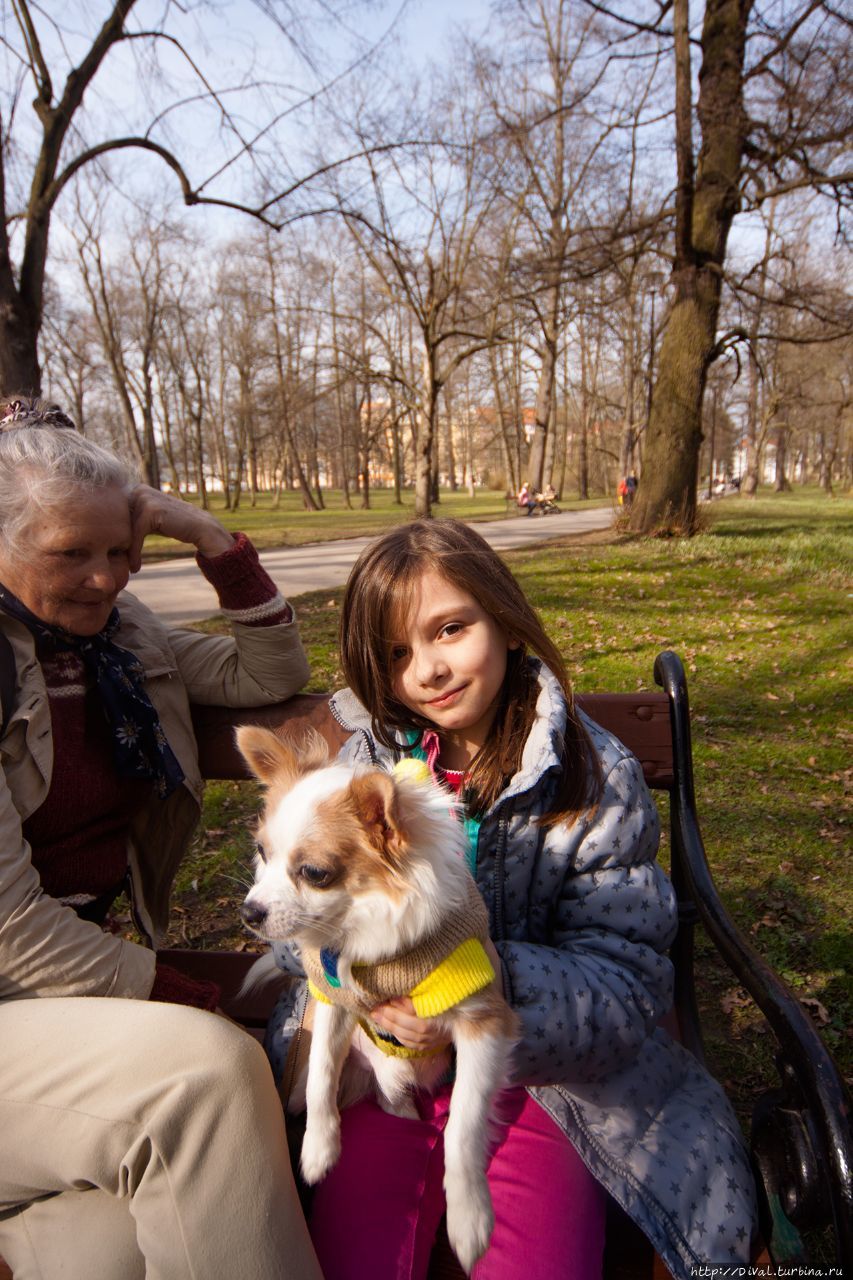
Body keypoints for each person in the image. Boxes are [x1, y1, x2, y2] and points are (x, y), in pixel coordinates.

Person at [266, 518, 757, 1280]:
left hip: (542, 1077)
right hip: (382, 1064)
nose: (427, 669)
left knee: (535, 1259)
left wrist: (484, 988)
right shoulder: (355, 769)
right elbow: (287, 915)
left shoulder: (589, 777)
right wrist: (350, 982)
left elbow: (626, 980)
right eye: (396, 653)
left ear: (501, 615)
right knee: (355, 1249)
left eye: (449, 629)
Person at [0, 397, 322, 1280]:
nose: (106, 578)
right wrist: (173, 990)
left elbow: (272, 674)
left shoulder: (120, 638)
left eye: (120, 550)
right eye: (71, 552)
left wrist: (210, 538)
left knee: (102, 1253)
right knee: (209, 1073)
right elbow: (10, 930)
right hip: (20, 995)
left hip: (52, 1017)